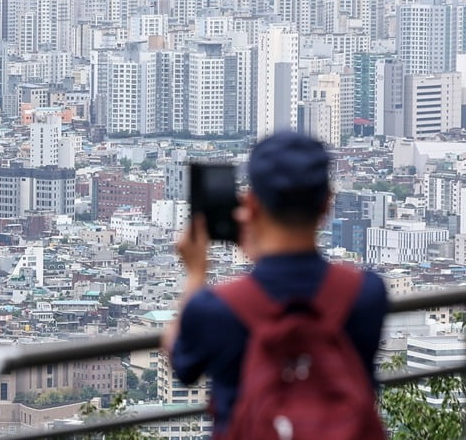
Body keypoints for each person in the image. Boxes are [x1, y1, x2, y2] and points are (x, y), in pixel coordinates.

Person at [161, 131, 388, 436]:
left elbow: (183, 362)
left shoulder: (215, 309)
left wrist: (196, 275)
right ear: (327, 203)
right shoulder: (366, 294)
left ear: (251, 204)